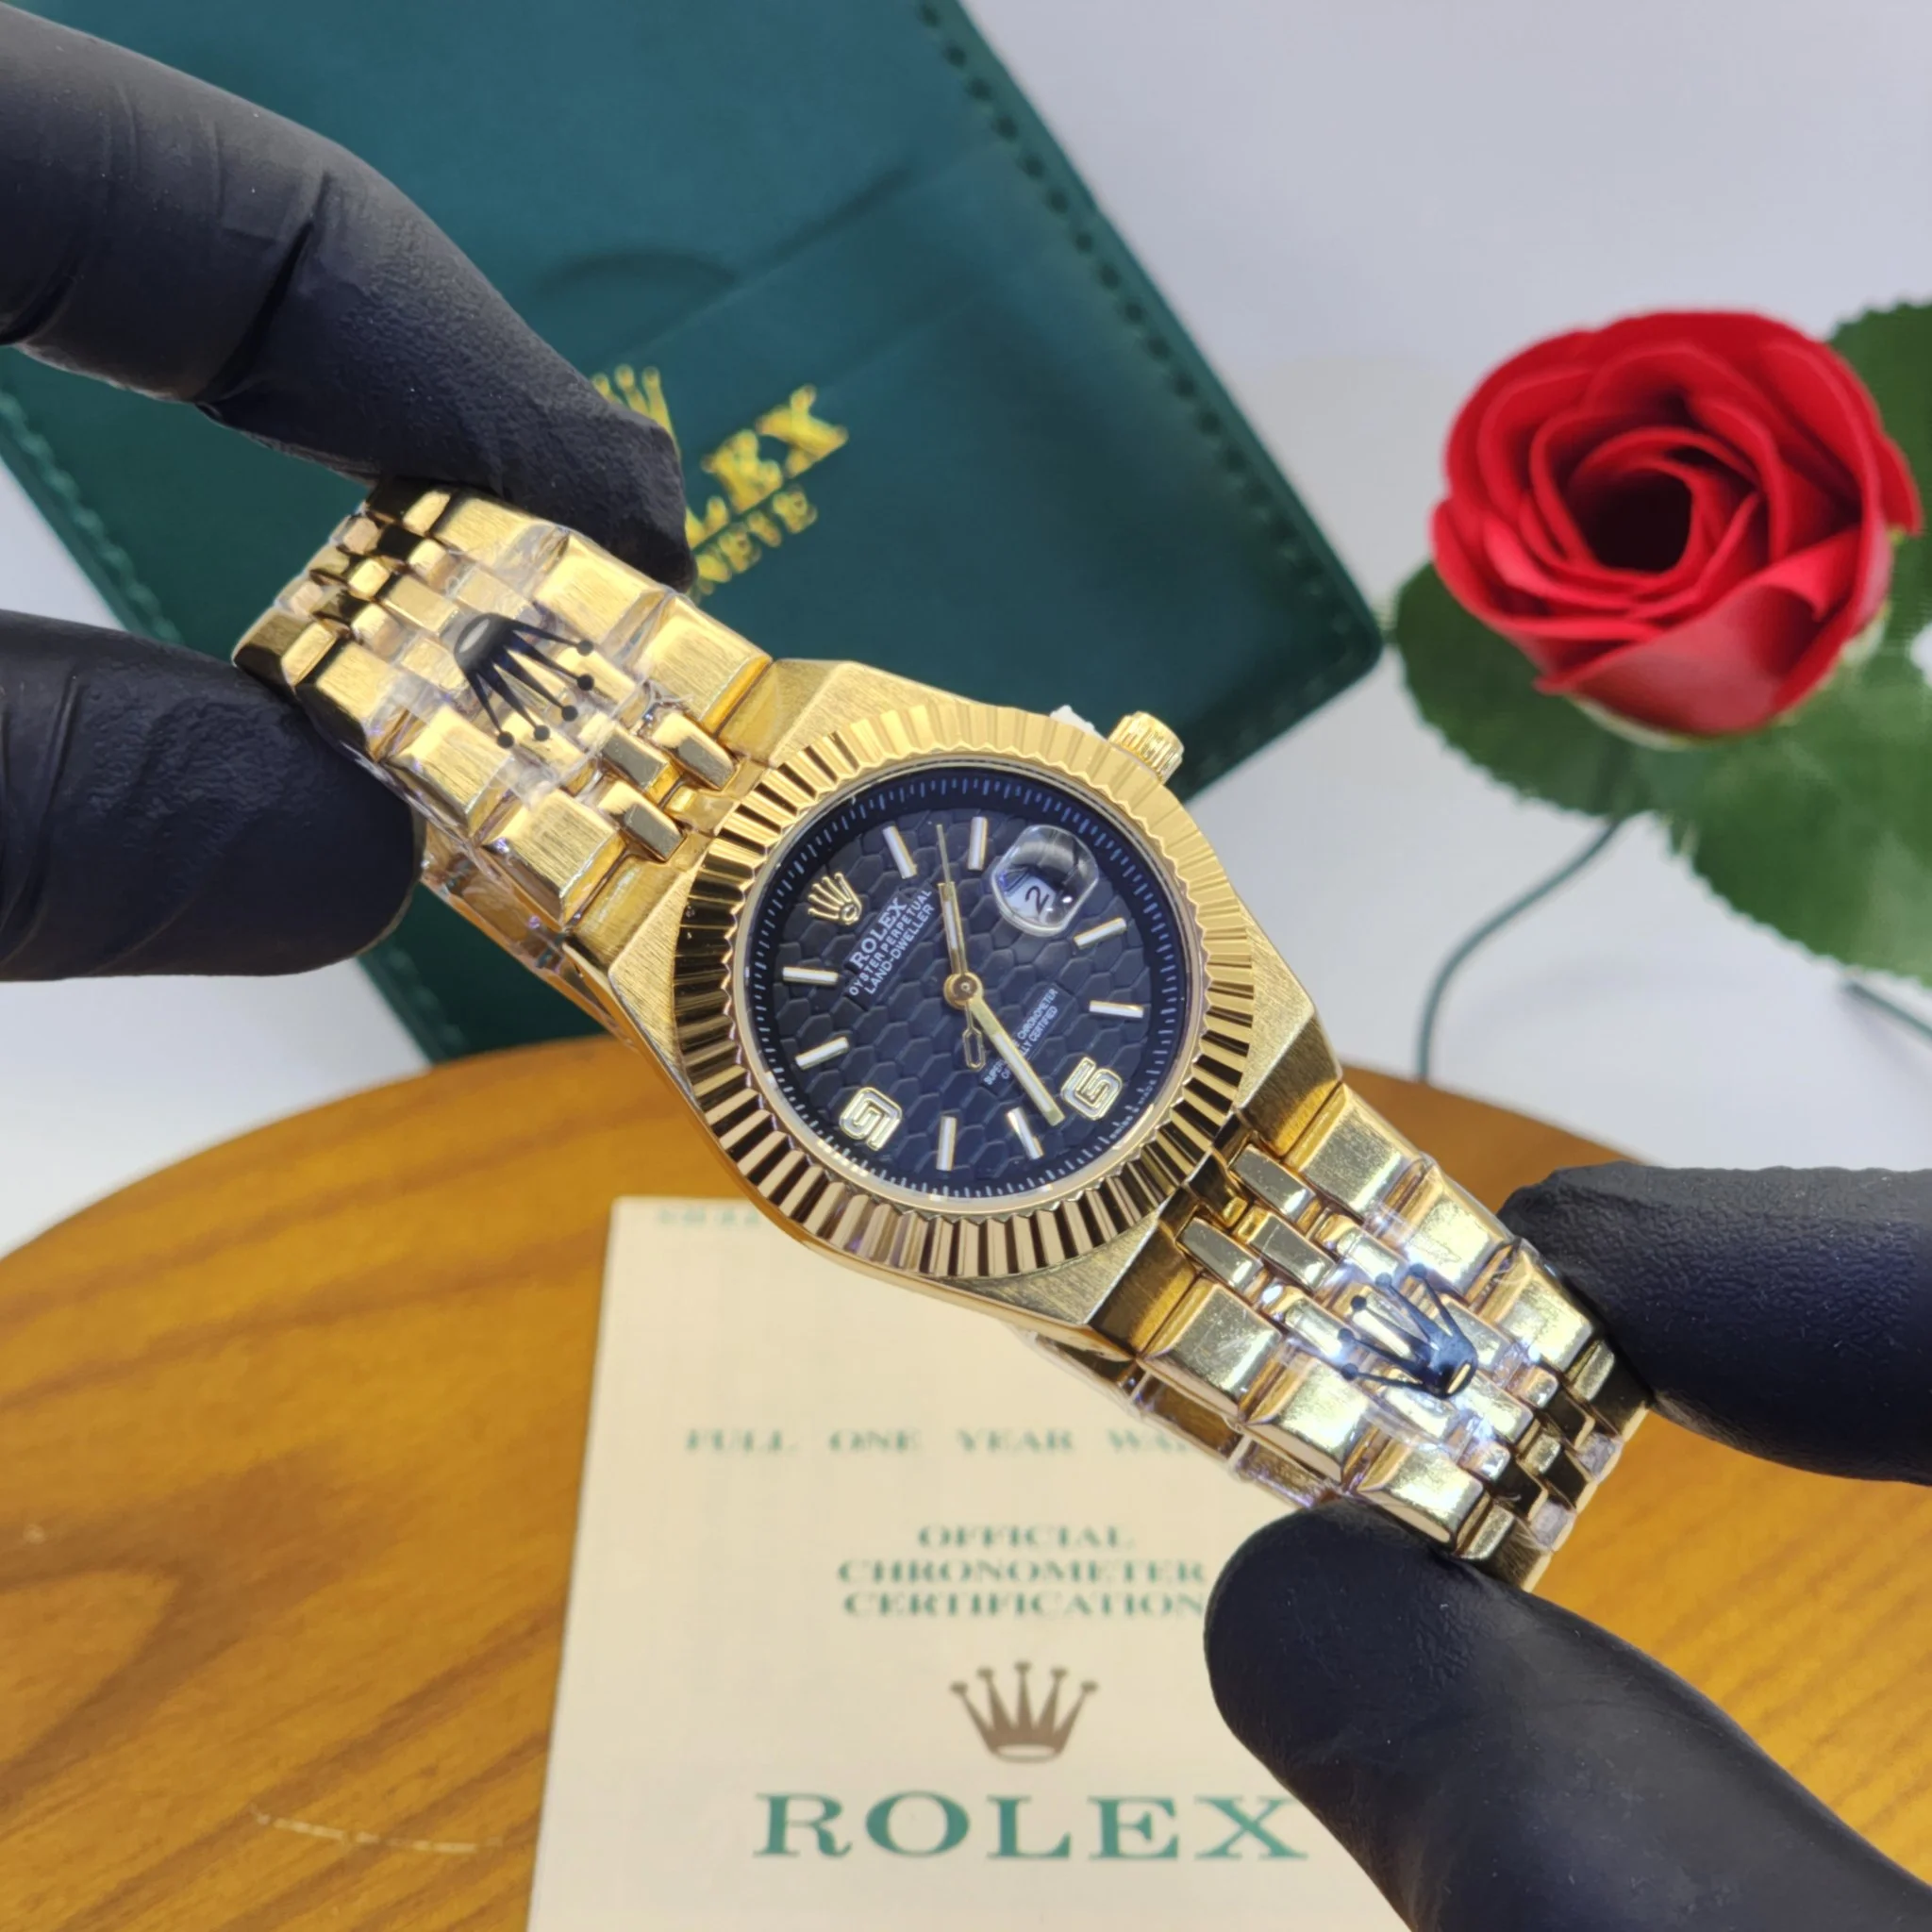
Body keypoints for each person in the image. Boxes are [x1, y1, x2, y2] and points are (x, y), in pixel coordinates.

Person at [2, 10, 1927, 1927]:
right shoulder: (693, 980)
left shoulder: (940, 851)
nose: (967, 989)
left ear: (1102, 787)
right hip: (991, 1120)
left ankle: (1514, 1421)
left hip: (1218, 1069)